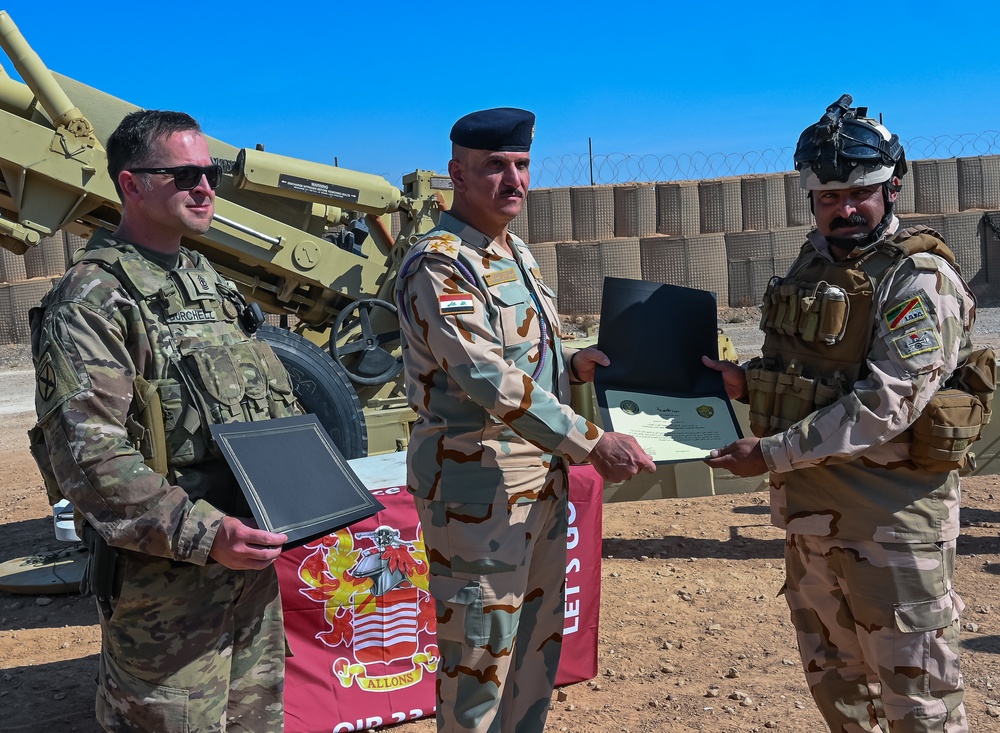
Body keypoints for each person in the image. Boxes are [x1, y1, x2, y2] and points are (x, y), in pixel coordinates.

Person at [704, 95, 986, 732]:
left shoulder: (918, 278)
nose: (845, 209)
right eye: (829, 197)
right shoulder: (814, 265)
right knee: (838, 688)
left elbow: (889, 400)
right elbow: (818, 377)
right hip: (812, 518)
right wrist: (746, 384)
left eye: (860, 194)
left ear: (890, 190)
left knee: (919, 702)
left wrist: (770, 452)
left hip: (891, 526)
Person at [29, 110, 298, 732]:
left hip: (247, 568)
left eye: (210, 174)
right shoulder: (91, 299)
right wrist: (209, 537)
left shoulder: (207, 284)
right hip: (166, 587)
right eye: (184, 175)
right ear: (131, 184)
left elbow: (266, 412)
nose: (205, 188)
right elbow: (91, 461)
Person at [395, 107, 655, 732]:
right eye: (494, 167)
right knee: (479, 664)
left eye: (521, 165)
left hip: (538, 486)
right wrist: (591, 441)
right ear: (456, 174)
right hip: (476, 493)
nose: (513, 180)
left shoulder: (513, 253)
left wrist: (574, 363)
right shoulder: (442, 262)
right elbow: (484, 376)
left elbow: (523, 357)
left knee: (535, 657)